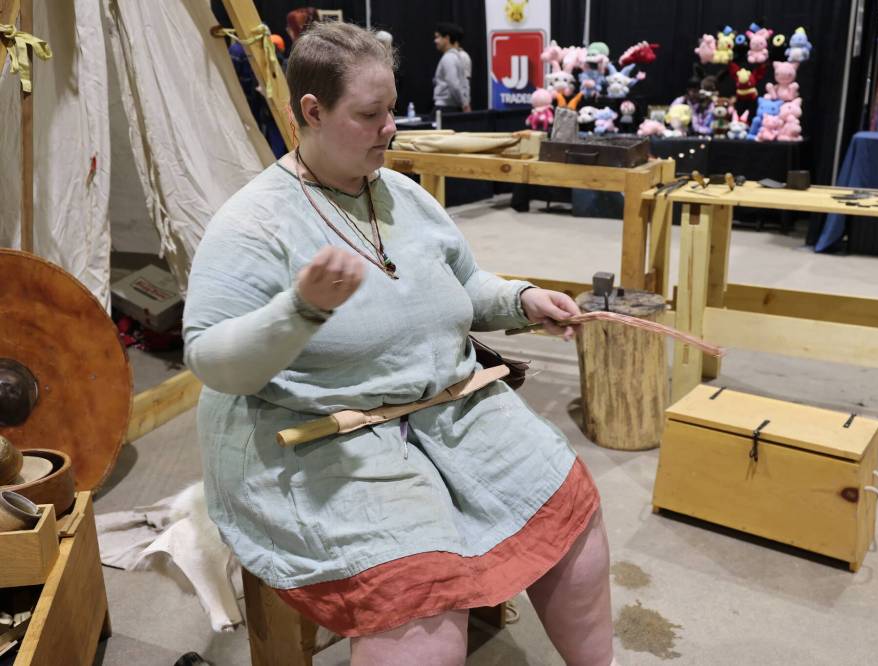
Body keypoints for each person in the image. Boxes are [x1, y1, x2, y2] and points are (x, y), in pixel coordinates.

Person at [183, 21, 617, 666]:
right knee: (420, 603)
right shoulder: (253, 222)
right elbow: (211, 359)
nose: (391, 127)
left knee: (568, 511)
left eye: (391, 109)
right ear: (312, 111)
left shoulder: (403, 195)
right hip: (325, 433)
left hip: (451, 406)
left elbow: (461, 284)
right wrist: (298, 311)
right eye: (370, 114)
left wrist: (520, 300)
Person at [433, 21, 471, 113]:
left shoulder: (449, 58)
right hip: (450, 107)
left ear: (447, 38)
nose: (435, 41)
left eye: (438, 37)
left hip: (446, 108)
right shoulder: (454, 57)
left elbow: (454, 84)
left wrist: (464, 104)